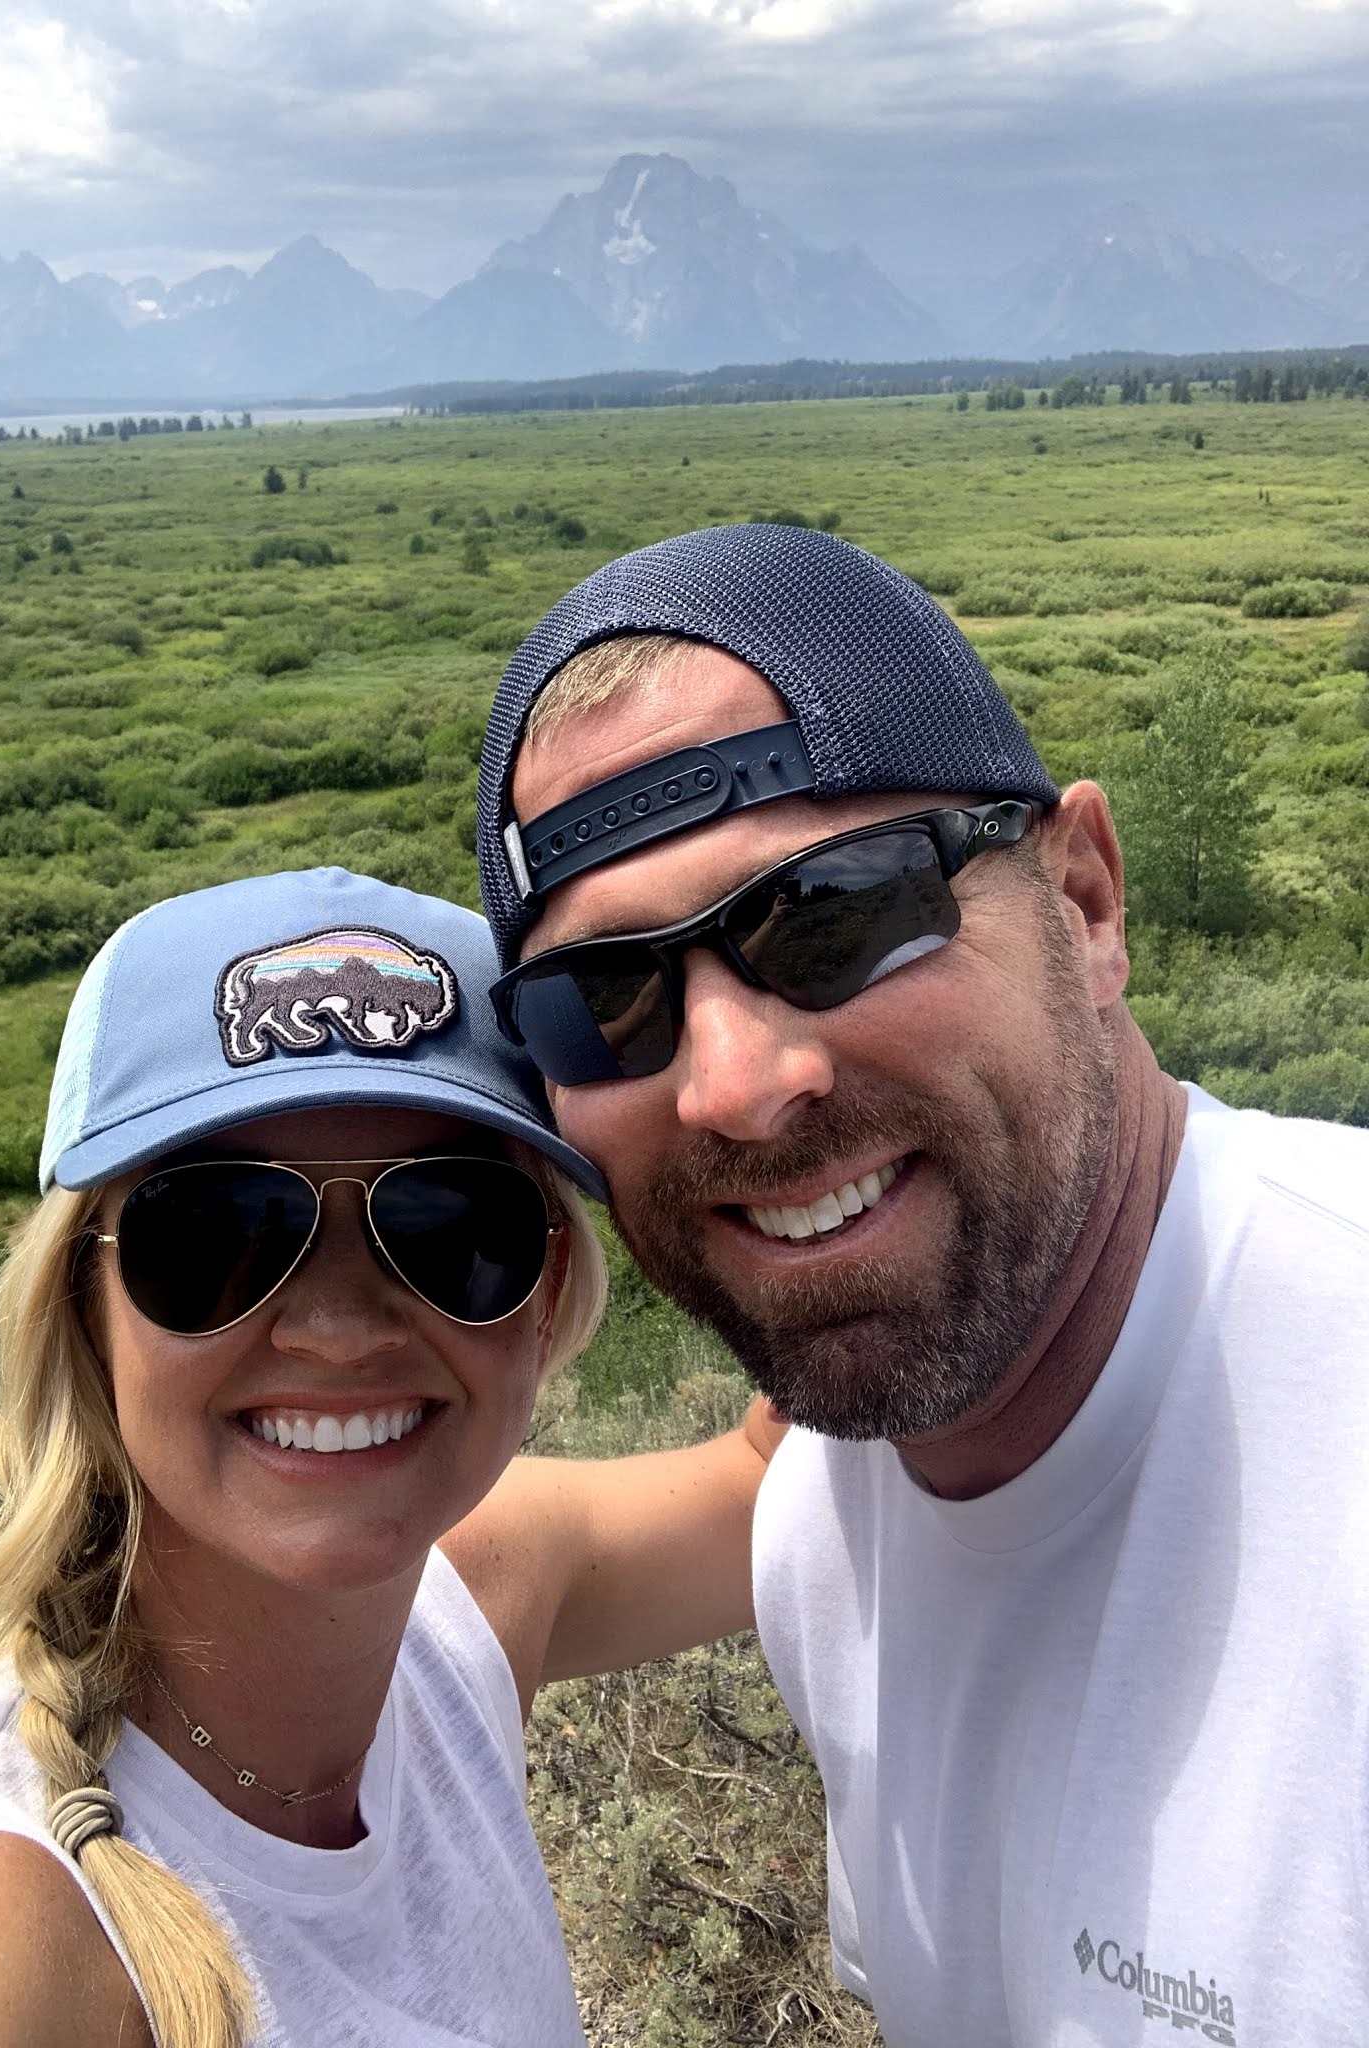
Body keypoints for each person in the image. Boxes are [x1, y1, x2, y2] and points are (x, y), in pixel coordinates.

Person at [472, 522, 1369, 2047]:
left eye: (837, 912)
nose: (734, 1084)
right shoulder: (826, 1518)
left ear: (1085, 903)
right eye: (600, 1002)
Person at [0, 865, 768, 2048]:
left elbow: (776, 1471)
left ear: (548, 1293)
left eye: (451, 1224)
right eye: (216, 1231)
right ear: (84, 1310)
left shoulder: (462, 1608)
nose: (336, 1328)